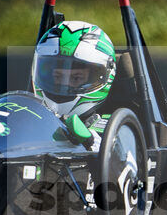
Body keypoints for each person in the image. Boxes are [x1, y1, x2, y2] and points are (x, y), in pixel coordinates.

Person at [31, 20, 117, 149]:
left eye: (76, 78)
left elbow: (126, 164)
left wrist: (90, 142)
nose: (64, 85)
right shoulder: (30, 121)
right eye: (58, 76)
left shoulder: (115, 127)